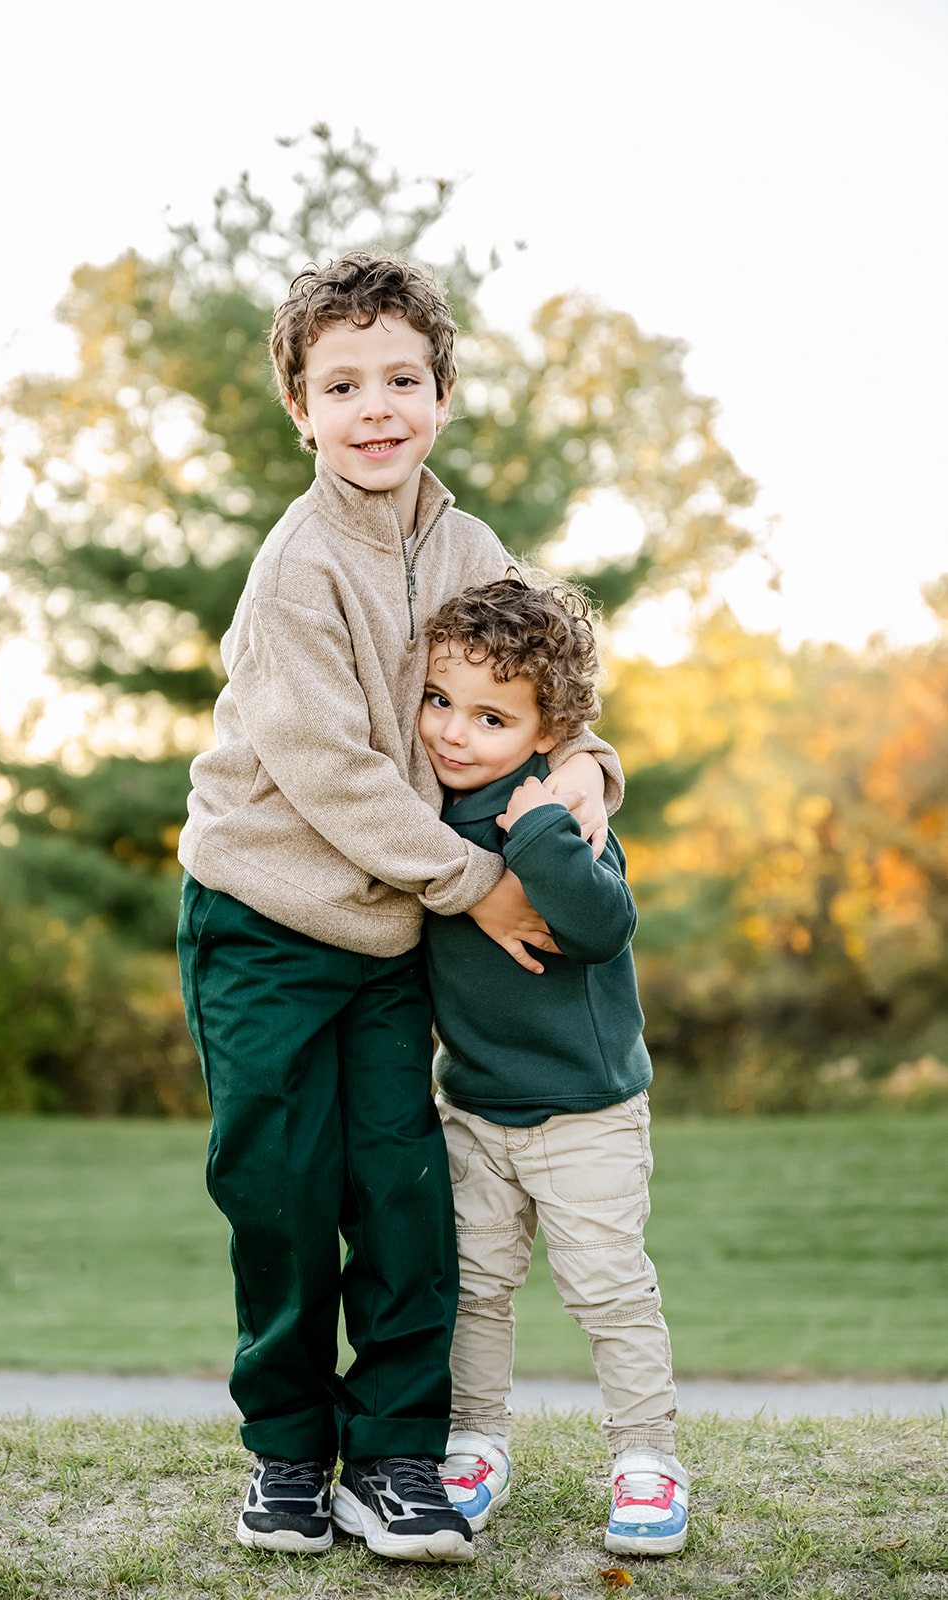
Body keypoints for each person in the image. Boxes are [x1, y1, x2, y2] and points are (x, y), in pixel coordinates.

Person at [175, 252, 625, 1565]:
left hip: (389, 934)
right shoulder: (294, 571)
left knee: (403, 1189)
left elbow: (545, 687)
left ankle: (391, 1459)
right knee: (279, 1188)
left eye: (402, 379)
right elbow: (330, 775)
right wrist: (481, 883)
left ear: (439, 393)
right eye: (341, 384)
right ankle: (282, 1458)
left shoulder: (467, 546)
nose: (375, 405)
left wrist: (588, 767)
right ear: (299, 411)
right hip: (264, 918)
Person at [418, 575, 688, 1558]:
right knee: (476, 1287)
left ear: (547, 730)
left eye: (490, 716)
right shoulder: (422, 808)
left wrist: (539, 829)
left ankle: (644, 1458)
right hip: (476, 1108)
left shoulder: (554, 807)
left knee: (607, 1287)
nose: (453, 731)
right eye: (439, 700)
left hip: (583, 1113)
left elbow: (602, 923)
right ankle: (474, 1443)